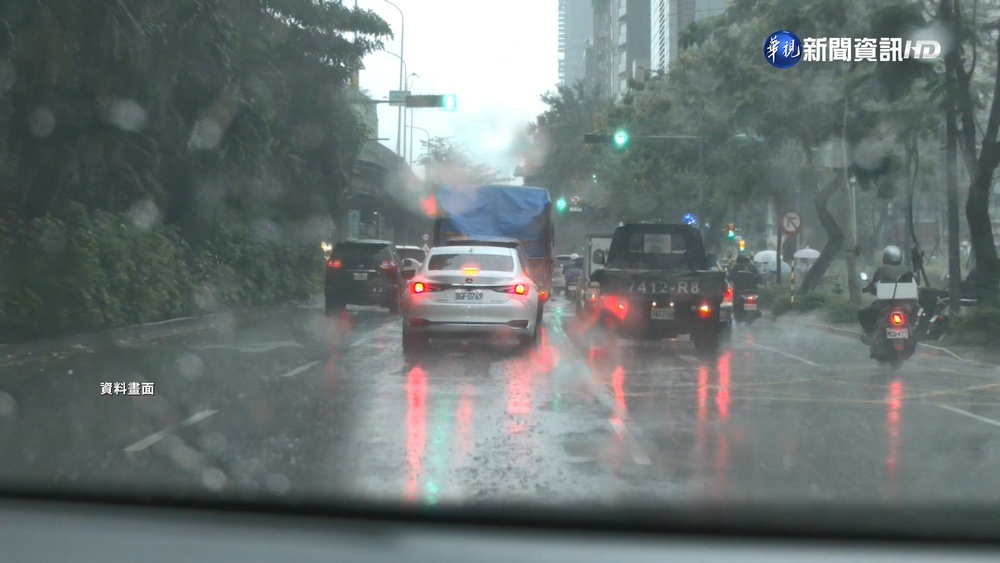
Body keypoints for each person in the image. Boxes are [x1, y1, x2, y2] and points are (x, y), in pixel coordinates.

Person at [857, 245, 913, 343]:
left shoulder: (882, 270)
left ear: (885, 258)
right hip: (905, 304)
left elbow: (873, 285)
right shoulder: (906, 269)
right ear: (900, 257)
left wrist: (867, 289)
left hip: (886, 304)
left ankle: (870, 334)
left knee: (862, 313)